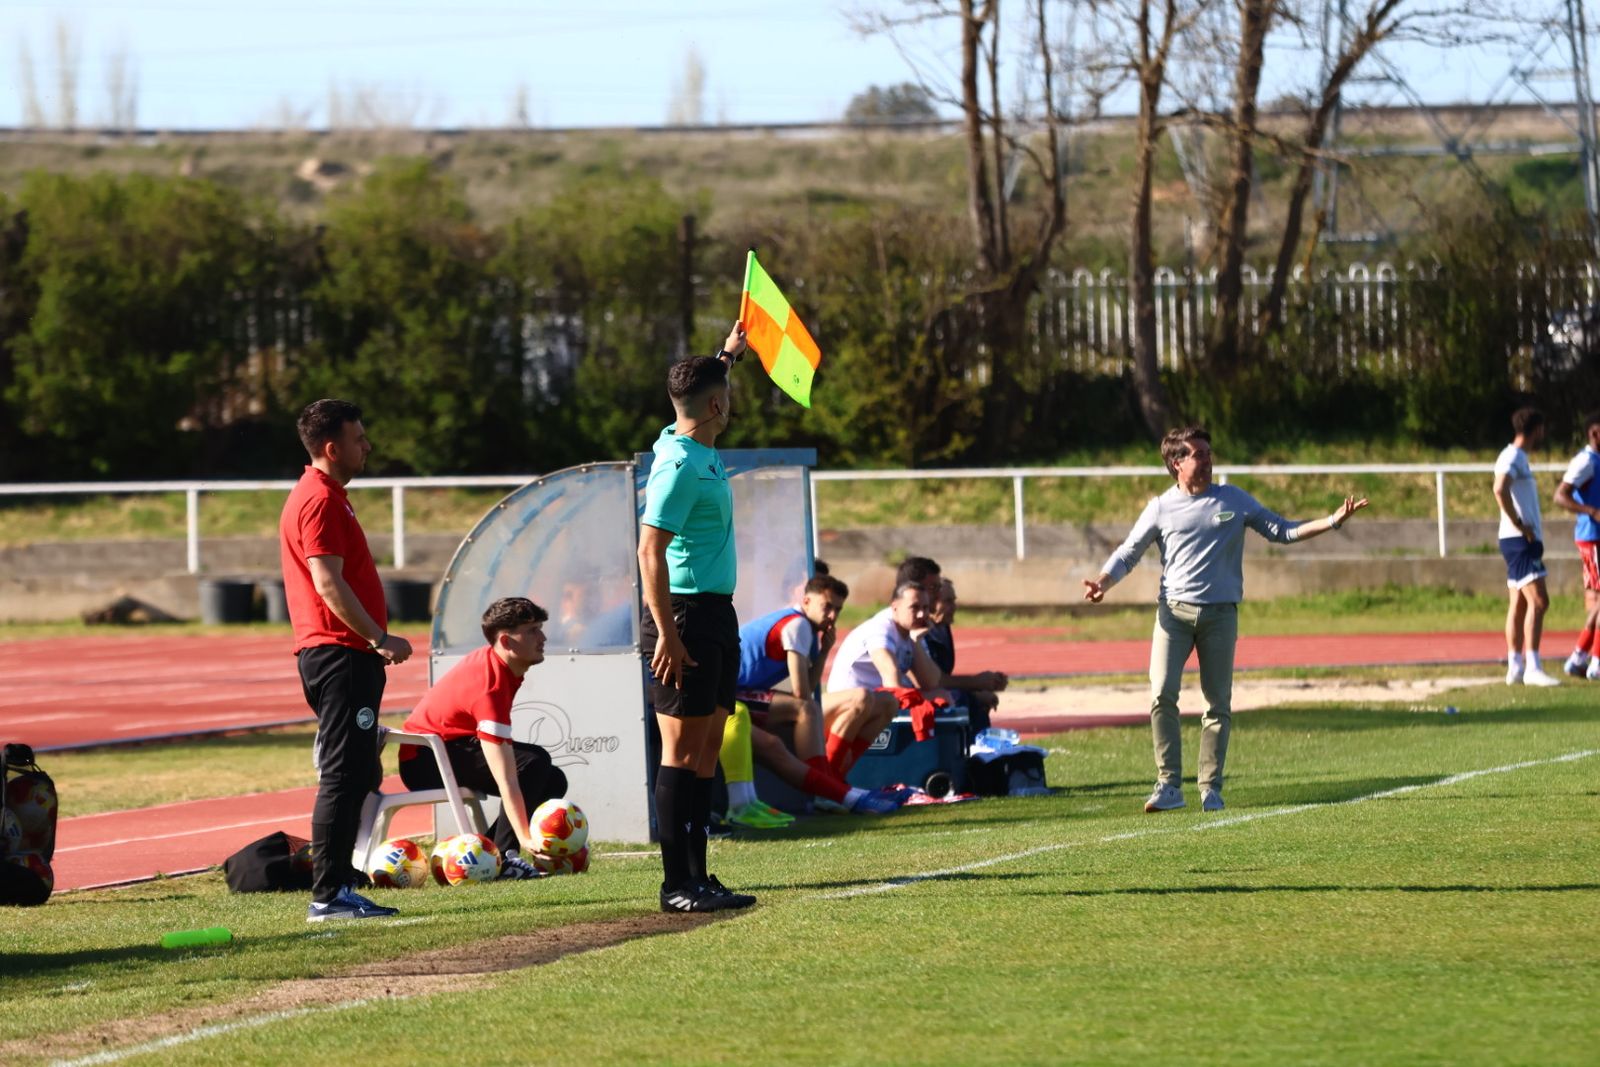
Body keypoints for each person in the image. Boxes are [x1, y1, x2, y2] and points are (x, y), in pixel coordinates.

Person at [1081, 425, 1368, 815]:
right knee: (1161, 694)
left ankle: (1210, 788)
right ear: (1176, 463)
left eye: (1209, 453)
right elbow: (1128, 551)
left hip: (1220, 616)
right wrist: (1103, 581)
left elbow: (1281, 531)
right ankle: (1168, 786)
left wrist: (1331, 521)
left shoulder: (1232, 499)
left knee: (1217, 704)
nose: (1208, 461)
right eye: (1198, 454)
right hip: (1173, 613)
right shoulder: (1160, 507)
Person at [638, 322, 758, 914]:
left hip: (716, 614)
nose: (730, 405)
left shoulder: (692, 442)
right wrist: (666, 632)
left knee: (707, 749)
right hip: (683, 617)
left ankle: (701, 877)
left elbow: (704, 387)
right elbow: (648, 550)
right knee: (679, 756)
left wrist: (726, 355)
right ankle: (675, 885)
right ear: (716, 407)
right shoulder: (679, 464)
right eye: (727, 397)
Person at [280, 398, 412, 922]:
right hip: (339, 655)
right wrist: (377, 636)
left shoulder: (328, 495)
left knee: (357, 769)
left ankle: (340, 882)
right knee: (342, 772)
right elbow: (327, 581)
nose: (368, 446)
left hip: (341, 654)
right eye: (360, 439)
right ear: (333, 448)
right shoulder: (320, 501)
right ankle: (328, 894)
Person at [397, 597, 566, 879]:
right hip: (425, 759)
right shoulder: (490, 684)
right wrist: (525, 839)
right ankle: (504, 857)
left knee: (553, 780)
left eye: (540, 628)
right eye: (532, 631)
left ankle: (486, 855)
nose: (543, 637)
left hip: (442, 749)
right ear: (507, 642)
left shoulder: (500, 664)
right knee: (534, 763)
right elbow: (508, 777)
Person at [724, 573, 904, 819]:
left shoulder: (803, 626)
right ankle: (830, 789)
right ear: (806, 601)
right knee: (806, 709)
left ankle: (832, 786)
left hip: (736, 692)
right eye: (827, 607)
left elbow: (806, 688)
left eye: (837, 610)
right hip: (726, 693)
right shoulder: (797, 625)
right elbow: (801, 692)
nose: (832, 616)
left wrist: (824, 651)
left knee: (876, 703)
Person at [1493, 407, 1560, 687]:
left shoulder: (1518, 457)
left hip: (1520, 540)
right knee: (1540, 601)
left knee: (1519, 604)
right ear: (1537, 429)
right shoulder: (1512, 456)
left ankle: (1515, 668)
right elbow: (1499, 488)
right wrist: (1520, 525)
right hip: (1519, 540)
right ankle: (1532, 666)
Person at [923, 578, 1008, 733]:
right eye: (948, 601)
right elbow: (932, 681)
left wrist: (982, 687)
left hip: (937, 691)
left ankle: (979, 751)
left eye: (954, 601)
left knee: (975, 700)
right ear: (930, 603)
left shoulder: (942, 628)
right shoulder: (919, 635)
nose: (953, 607)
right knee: (962, 699)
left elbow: (943, 677)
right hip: (919, 696)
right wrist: (976, 685)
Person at [1554, 411, 1600, 680]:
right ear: (1594, 433)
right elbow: (1560, 495)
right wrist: (1591, 511)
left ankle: (1579, 657)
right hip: (1592, 537)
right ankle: (1593, 662)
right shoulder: (1585, 461)